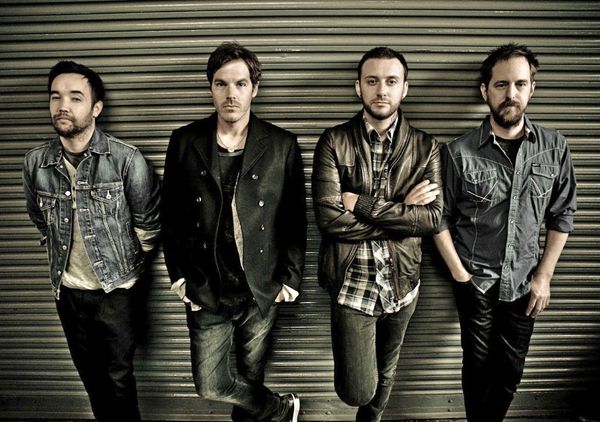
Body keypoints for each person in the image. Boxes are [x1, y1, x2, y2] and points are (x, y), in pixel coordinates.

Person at [161, 42, 306, 422]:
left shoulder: (282, 144)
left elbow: (294, 219)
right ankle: (279, 408)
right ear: (210, 88)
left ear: (254, 89)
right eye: (221, 84)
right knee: (210, 384)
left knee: (251, 375)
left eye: (240, 84)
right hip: (206, 287)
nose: (231, 94)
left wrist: (289, 279)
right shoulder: (184, 141)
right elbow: (171, 216)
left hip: (260, 287)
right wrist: (179, 278)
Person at [433, 43, 577, 421]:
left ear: (532, 88)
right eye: (501, 85)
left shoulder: (555, 148)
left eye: (520, 84)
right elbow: (438, 219)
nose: (511, 94)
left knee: (510, 371)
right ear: (485, 91)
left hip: (526, 281)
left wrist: (544, 276)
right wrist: (460, 275)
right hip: (475, 280)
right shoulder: (458, 152)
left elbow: (562, 216)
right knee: (477, 367)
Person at [22, 61, 161, 422]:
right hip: (68, 292)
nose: (62, 106)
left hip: (116, 291)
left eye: (75, 97)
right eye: (55, 97)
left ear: (96, 108)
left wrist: (124, 269)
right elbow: (39, 219)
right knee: (91, 379)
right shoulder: (35, 163)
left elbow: (148, 226)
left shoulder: (125, 159)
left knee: (118, 379)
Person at [312, 46, 442, 421]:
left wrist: (361, 203)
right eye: (372, 81)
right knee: (357, 390)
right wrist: (403, 209)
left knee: (387, 371)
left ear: (405, 88)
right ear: (358, 87)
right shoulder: (333, 141)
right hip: (352, 286)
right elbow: (330, 220)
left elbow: (432, 219)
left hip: (403, 284)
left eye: (391, 81)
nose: (381, 90)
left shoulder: (426, 147)